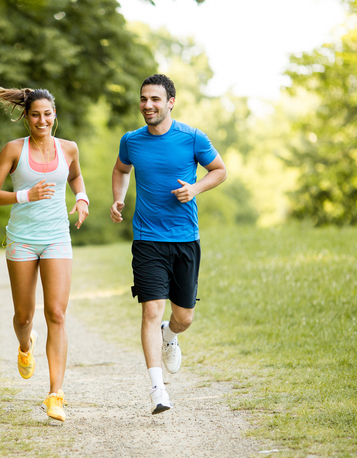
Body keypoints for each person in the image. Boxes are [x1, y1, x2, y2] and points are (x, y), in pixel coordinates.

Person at [110, 74, 227, 414]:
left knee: (184, 318)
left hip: (185, 239)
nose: (148, 105)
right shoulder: (131, 141)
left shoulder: (192, 138)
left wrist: (195, 189)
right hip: (147, 240)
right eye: (144, 99)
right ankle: (158, 390)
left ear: (170, 102)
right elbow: (121, 170)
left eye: (155, 99)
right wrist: (118, 198)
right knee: (150, 310)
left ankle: (170, 335)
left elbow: (219, 170)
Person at [0, 86, 90, 422]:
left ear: (54, 114)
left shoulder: (69, 148)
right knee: (24, 317)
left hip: (57, 237)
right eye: (35, 114)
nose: (42, 120)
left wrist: (82, 197)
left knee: (57, 314)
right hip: (23, 240)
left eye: (47, 114)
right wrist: (25, 195)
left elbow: (74, 176)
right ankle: (25, 345)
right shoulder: (14, 150)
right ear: (26, 117)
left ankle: (55, 394)